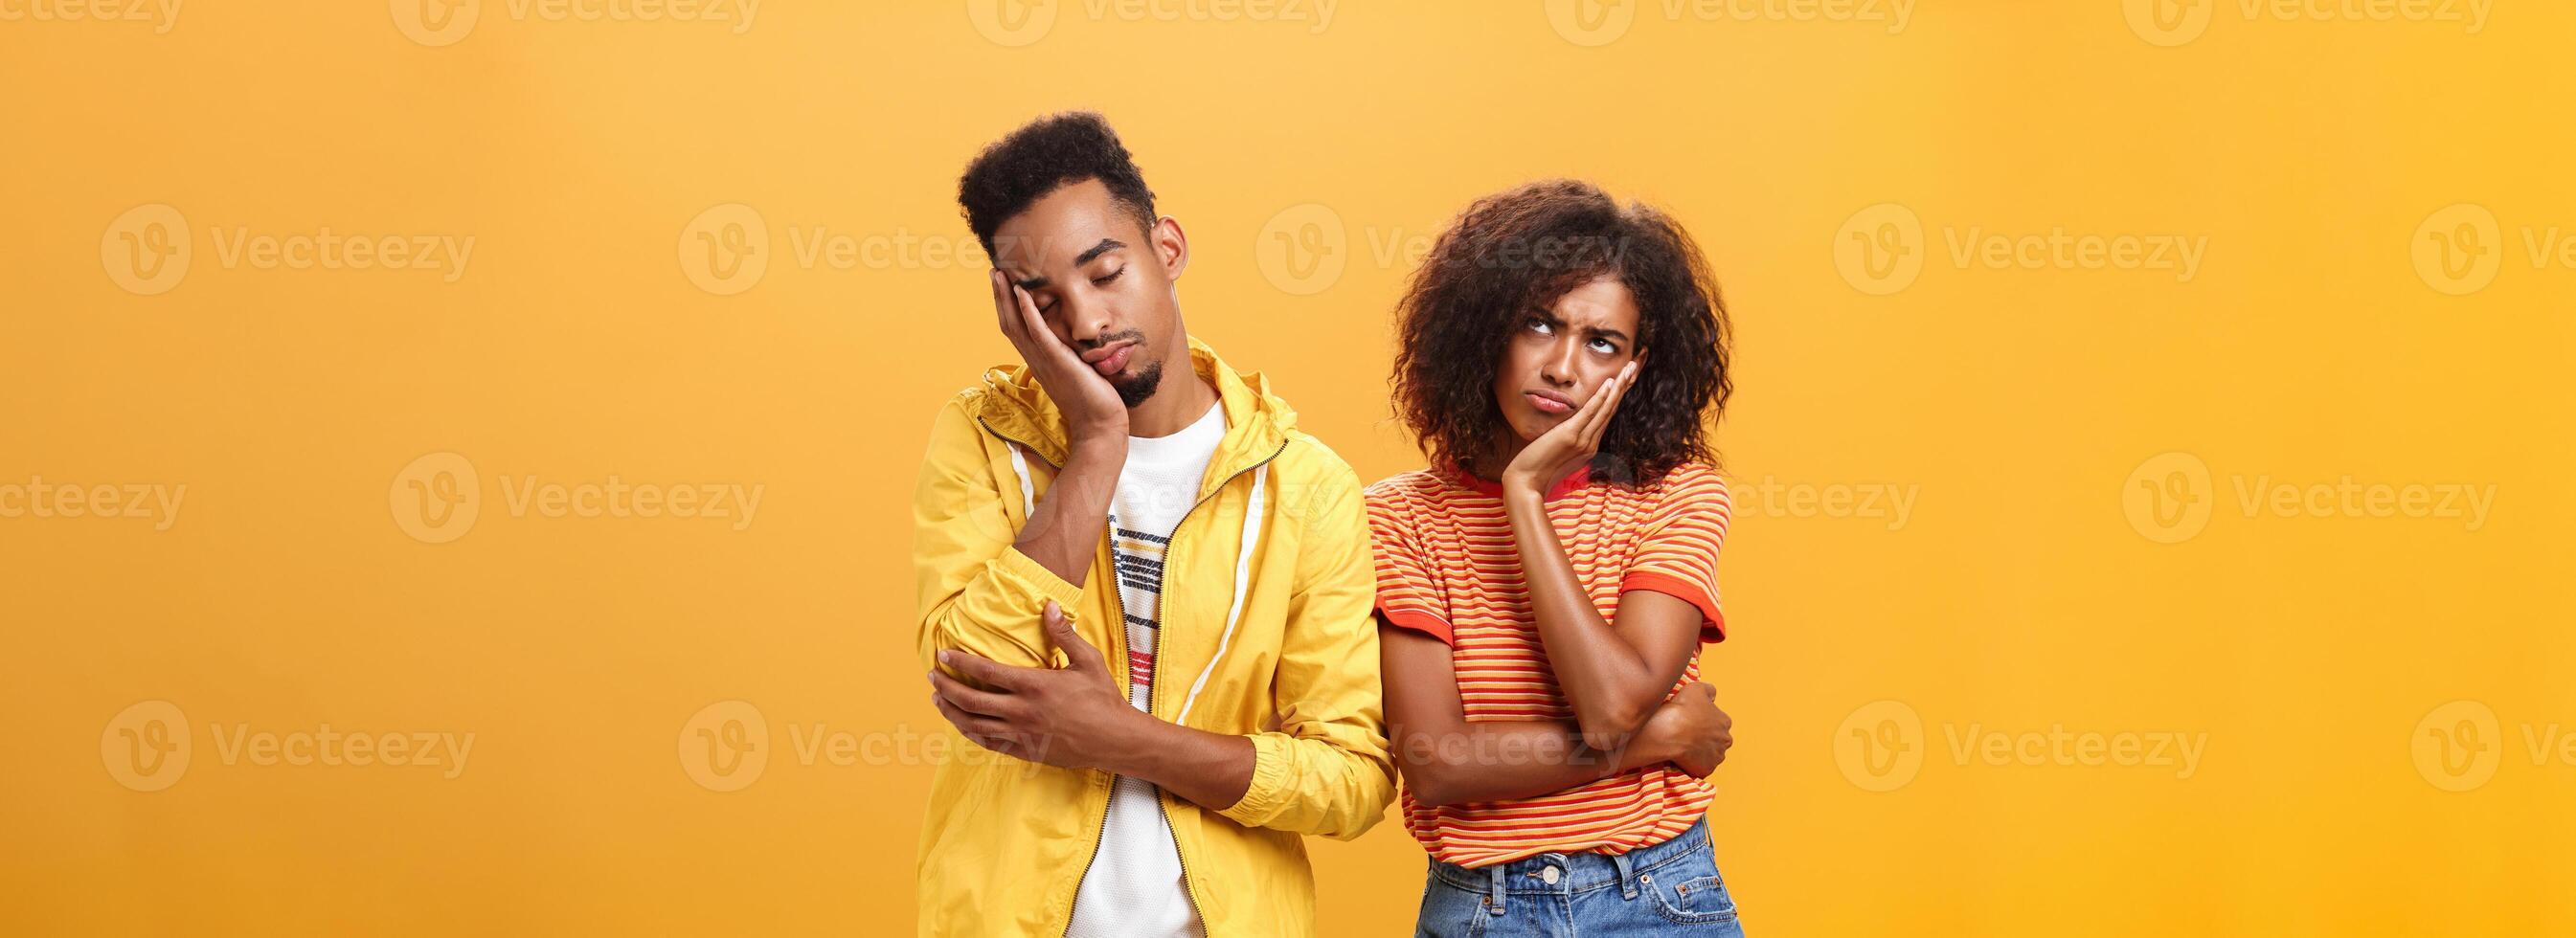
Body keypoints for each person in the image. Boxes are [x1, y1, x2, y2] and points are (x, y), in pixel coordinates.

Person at [912, 111, 1394, 937]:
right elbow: (972, 674)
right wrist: (1097, 445)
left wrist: (1121, 738)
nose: (1087, 324)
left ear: (1166, 248)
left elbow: (1351, 780)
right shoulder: (986, 438)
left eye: (1105, 273)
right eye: (1044, 301)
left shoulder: (1305, 486)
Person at [1367, 180, 1745, 935]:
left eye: (1601, 342)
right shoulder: (1396, 518)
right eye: (1539, 325)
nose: (1564, 366)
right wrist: (1660, 739)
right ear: (1484, 333)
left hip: (1661, 898)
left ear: (1637, 368)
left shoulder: (1677, 496)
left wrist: (1525, 500)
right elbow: (1437, 763)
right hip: (1484, 909)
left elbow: (1611, 704)